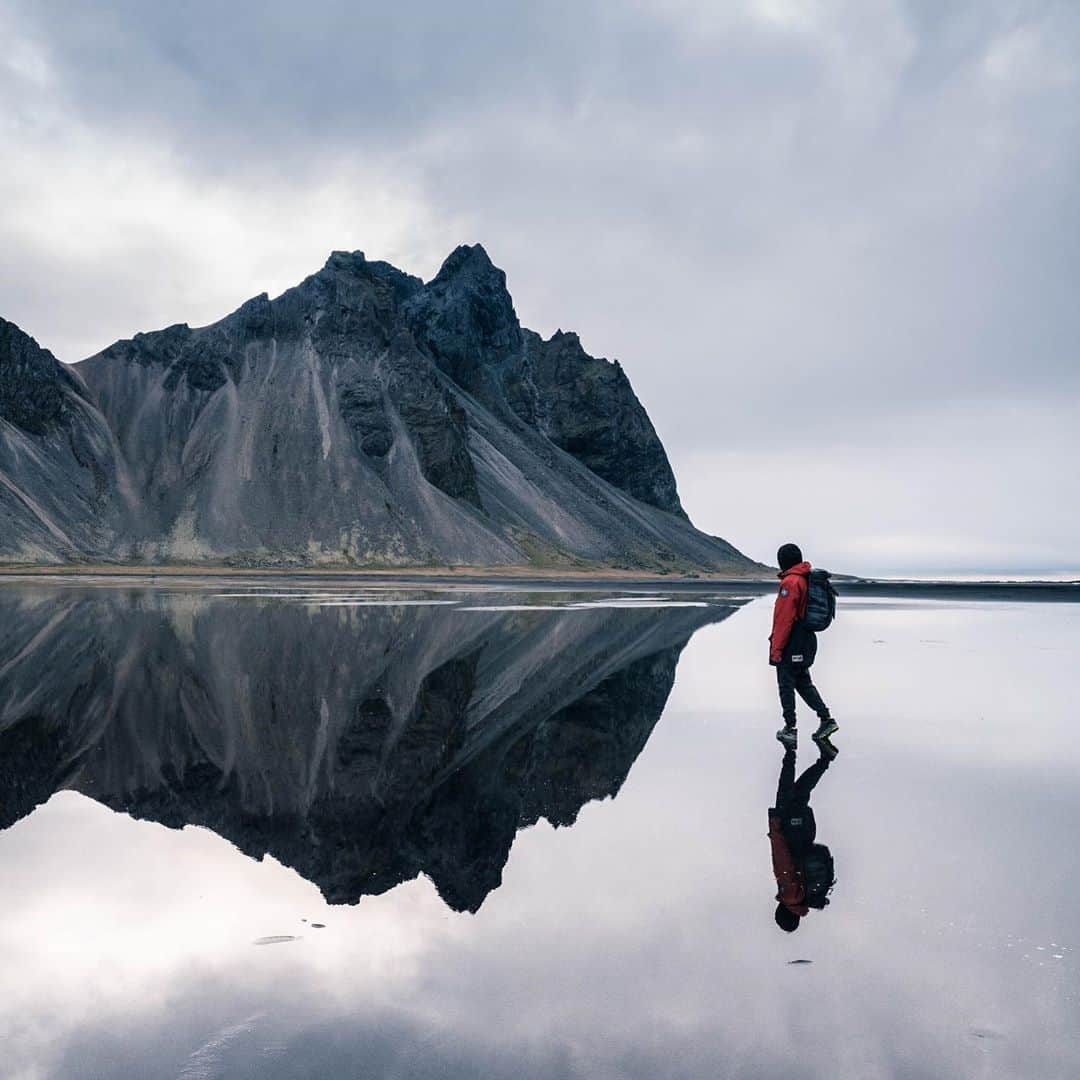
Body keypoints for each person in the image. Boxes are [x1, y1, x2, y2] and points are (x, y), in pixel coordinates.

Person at [770, 543, 837, 748]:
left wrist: (776, 650)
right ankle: (826, 720)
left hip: (793, 641)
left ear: (783, 561)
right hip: (806, 640)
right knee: (802, 682)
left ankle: (790, 729)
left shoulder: (791, 583)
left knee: (786, 684)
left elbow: (784, 619)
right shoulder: (805, 578)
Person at [769, 739, 837, 933]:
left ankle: (825, 758)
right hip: (790, 830)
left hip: (805, 833)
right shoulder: (789, 894)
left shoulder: (805, 896)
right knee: (786, 790)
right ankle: (790, 747)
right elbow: (781, 857)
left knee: (800, 792)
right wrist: (775, 829)